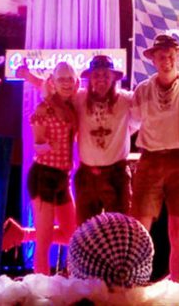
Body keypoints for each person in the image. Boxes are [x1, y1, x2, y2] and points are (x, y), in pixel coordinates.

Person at [17, 55, 138, 225]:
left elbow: (139, 120)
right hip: (87, 176)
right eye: (96, 75)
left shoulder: (126, 99)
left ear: (113, 78)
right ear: (90, 78)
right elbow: (54, 89)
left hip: (116, 176)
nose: (101, 79)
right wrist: (27, 75)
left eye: (106, 75)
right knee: (85, 231)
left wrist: (122, 134)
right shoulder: (79, 98)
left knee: (119, 228)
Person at [130, 33, 179, 282]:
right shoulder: (143, 90)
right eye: (161, 56)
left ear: (178, 58)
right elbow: (129, 124)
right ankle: (134, 286)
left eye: (171, 56)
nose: (167, 61)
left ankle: (178, 289)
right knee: (139, 231)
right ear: (153, 59)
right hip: (149, 160)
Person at [2, 61, 79, 275]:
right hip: (44, 175)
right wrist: (50, 146)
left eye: (70, 79)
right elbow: (37, 146)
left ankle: (23, 234)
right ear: (54, 82)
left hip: (63, 177)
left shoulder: (73, 104)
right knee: (44, 243)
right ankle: (41, 287)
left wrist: (27, 75)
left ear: (75, 82)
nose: (66, 83)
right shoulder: (44, 108)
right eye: (61, 79)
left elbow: (42, 83)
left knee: (71, 234)